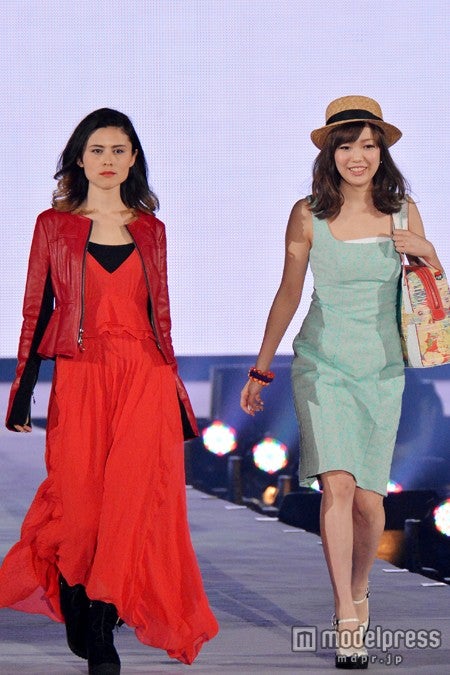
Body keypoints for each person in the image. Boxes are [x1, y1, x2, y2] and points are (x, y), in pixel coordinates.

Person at [0, 108, 218, 674]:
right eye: (97, 150)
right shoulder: (54, 225)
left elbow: (160, 317)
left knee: (131, 500)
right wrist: (23, 389)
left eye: (119, 150)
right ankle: (75, 590)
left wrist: (175, 392)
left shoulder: (151, 230)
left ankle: (101, 624)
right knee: (80, 502)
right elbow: (36, 309)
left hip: (144, 374)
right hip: (82, 374)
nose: (108, 160)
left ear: (134, 159)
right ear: (79, 158)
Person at [240, 95, 443, 669]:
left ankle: (359, 587)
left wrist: (429, 252)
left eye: (369, 145)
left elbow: (429, 297)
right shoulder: (308, 214)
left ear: (382, 152)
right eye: (347, 145)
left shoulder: (403, 212)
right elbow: (289, 292)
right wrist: (261, 367)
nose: (358, 156)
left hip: (382, 369)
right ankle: (346, 617)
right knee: (337, 487)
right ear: (330, 153)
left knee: (371, 504)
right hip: (322, 363)